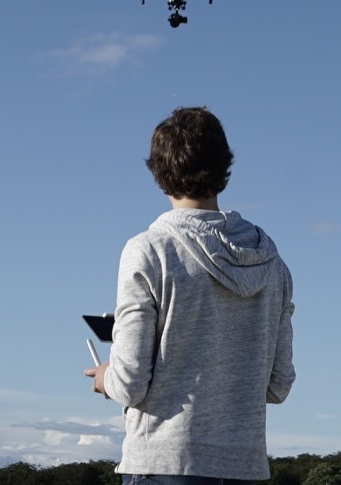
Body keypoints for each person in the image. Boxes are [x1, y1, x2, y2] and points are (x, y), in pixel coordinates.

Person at [84, 106, 295, 485]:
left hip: (164, 464)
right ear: (224, 167)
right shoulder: (274, 265)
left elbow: (130, 382)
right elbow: (278, 385)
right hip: (245, 470)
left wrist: (105, 377)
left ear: (158, 172)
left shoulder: (149, 250)